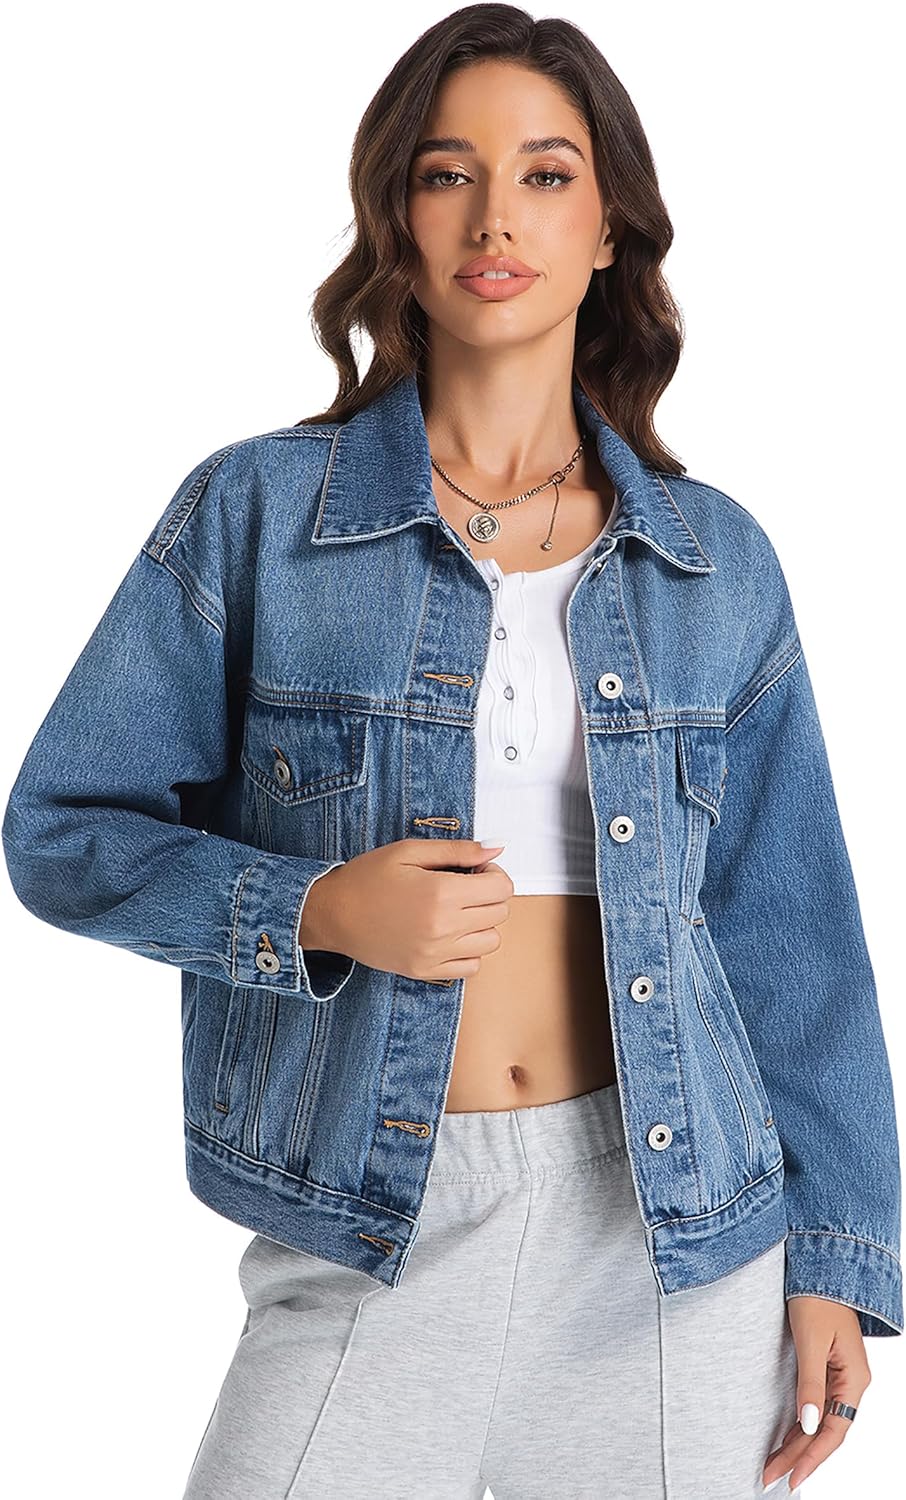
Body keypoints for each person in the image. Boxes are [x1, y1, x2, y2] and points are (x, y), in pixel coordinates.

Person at [2, 6, 901, 1498]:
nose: (495, 218)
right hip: (373, 1225)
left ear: (607, 228)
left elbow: (792, 935)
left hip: (675, 1248)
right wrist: (313, 909)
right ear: (395, 220)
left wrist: (839, 1257)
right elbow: (62, 828)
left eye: (546, 175)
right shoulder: (258, 514)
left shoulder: (714, 561)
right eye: (446, 174)